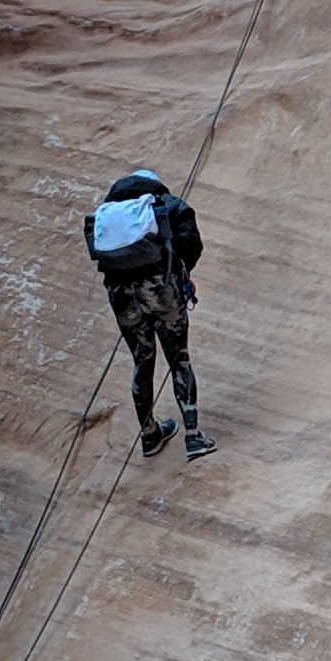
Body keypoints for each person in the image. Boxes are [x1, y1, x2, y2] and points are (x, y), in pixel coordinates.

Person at [83, 166, 213, 460]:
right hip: (160, 291)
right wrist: (181, 272)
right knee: (178, 357)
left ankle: (149, 435)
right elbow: (191, 241)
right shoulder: (164, 204)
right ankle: (193, 437)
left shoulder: (106, 214)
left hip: (121, 297)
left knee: (142, 360)